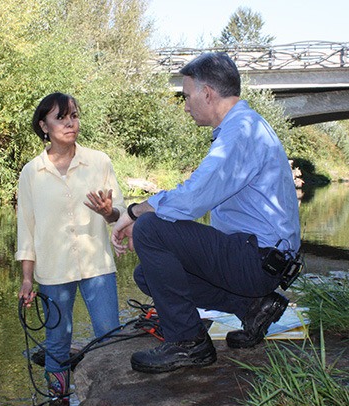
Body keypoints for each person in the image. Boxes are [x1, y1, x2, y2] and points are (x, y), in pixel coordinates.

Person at [111, 52, 301, 374]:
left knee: (149, 229)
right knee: (148, 275)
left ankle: (189, 342)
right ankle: (253, 307)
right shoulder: (246, 126)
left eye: (187, 96)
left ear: (207, 94)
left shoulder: (240, 133)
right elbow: (197, 196)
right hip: (262, 258)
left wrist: (134, 211)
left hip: (258, 258)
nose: (185, 106)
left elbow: (194, 198)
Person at [16, 92, 126, 406]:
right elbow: (27, 228)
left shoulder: (99, 162)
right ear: (44, 126)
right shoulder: (31, 173)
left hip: (97, 266)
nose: (70, 123)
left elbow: (118, 211)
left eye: (74, 116)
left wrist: (108, 212)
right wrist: (27, 279)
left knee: (109, 335)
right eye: (61, 118)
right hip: (53, 270)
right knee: (56, 343)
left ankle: (112, 401)